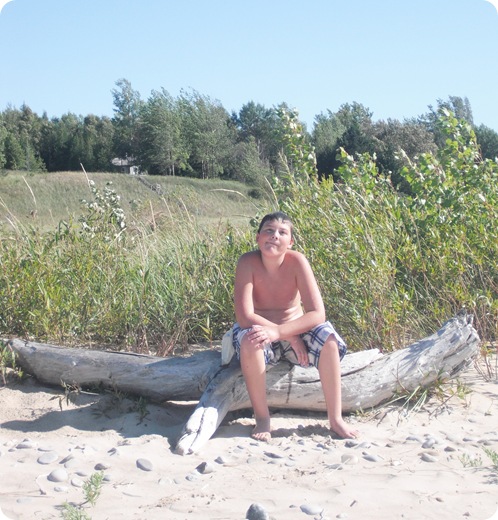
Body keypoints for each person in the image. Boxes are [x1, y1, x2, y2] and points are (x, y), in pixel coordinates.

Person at [233, 211, 359, 442]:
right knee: (251, 339)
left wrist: (285, 332)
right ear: (258, 237)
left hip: (294, 330)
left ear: (290, 242)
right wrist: (286, 335)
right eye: (269, 231)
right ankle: (262, 418)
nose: (274, 236)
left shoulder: (298, 261)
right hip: (262, 329)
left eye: (282, 232)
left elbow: (318, 313)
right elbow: (244, 316)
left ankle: (335, 419)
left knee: (329, 339)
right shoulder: (247, 262)